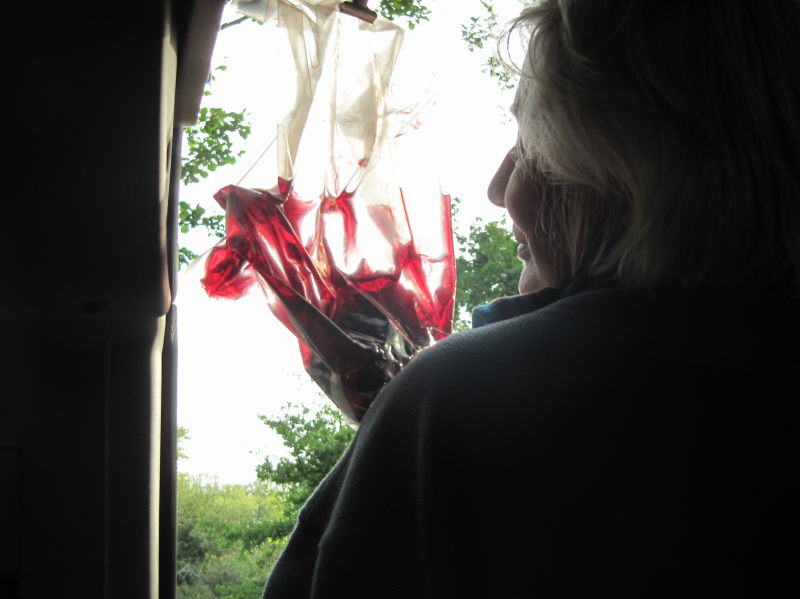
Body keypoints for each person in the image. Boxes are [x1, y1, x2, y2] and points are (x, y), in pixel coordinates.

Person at [263, 1, 800, 596]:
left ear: (623, 167)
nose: (498, 188)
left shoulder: (463, 402)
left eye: (532, 139)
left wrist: (412, 420)